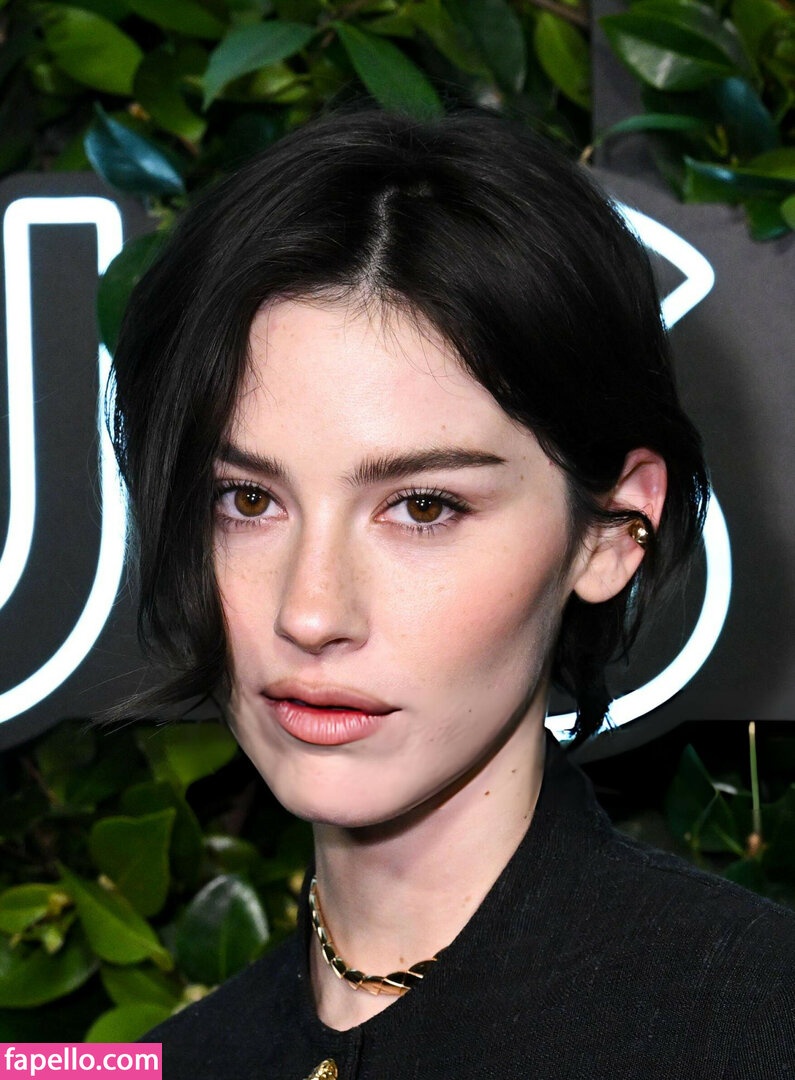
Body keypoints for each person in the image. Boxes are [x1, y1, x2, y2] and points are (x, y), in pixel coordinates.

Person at [111, 108, 794, 1078]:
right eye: (248, 500)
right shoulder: (168, 1064)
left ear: (610, 532)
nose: (310, 613)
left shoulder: (753, 1024)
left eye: (423, 507)